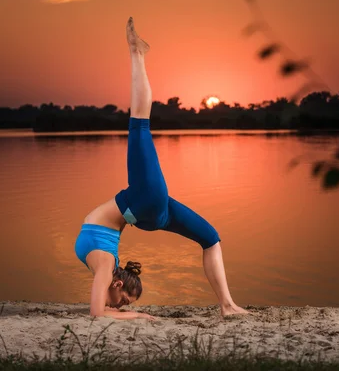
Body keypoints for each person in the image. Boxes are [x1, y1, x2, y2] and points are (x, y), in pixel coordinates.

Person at [74, 17, 248, 320]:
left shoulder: (103, 264)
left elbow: (97, 312)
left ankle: (228, 305)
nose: (121, 306)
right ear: (117, 281)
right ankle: (136, 53)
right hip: (145, 203)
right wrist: (142, 318)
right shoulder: (103, 263)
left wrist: (129, 315)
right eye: (126, 302)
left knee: (211, 238)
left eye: (125, 303)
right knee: (139, 122)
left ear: (117, 283)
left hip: (149, 207)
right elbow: (97, 315)